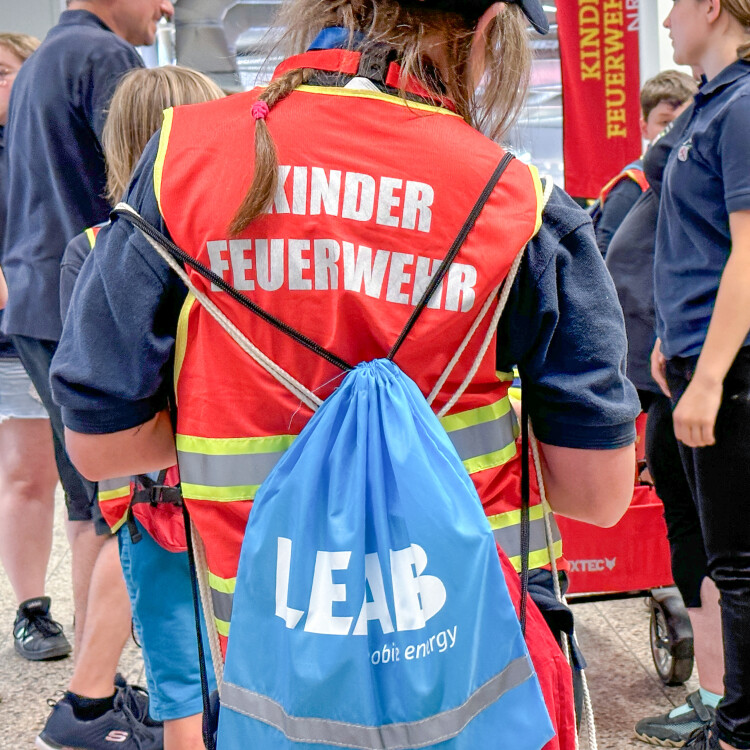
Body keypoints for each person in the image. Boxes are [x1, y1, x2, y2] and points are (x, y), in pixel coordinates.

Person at [51, 1, 640, 747]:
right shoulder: (519, 203)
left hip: (277, 668)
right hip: (475, 661)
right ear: (485, 31)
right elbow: (598, 495)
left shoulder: (179, 165)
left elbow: (101, 447)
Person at [37, 65, 224, 750]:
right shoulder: (230, 245)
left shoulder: (90, 248)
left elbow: (98, 383)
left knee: (181, 676)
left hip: (151, 494)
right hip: (226, 491)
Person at [2, 0, 172, 747]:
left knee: (90, 498)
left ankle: (96, 684)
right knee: (125, 496)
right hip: (90, 297)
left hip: (41, 297)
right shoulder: (104, 60)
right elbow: (151, 179)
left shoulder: (42, 59)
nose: (167, 7)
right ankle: (91, 701)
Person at [606, 103, 725, 747]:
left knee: (719, 551)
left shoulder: (724, 121)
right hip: (666, 374)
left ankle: (726, 707)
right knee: (697, 545)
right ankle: (716, 697)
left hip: (695, 379)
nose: (670, 15)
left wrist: (700, 375)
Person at [649, 0, 750, 747]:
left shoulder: (742, 107)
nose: (664, 20)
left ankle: (740, 732)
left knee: (740, 567)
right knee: (729, 561)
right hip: (693, 358)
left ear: (712, 7)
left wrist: (710, 375)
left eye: (676, 4)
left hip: (733, 370)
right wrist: (670, 339)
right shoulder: (707, 108)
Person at [0, 32, 69, 662]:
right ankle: (31, 607)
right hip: (16, 330)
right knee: (29, 476)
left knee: (50, 475)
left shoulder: (45, 149)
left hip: (41, 330)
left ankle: (44, 608)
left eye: (2, 71)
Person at [593, 70, 697, 257]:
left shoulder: (699, 176)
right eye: (665, 123)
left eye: (684, 122)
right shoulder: (632, 185)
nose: (676, 133)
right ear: (645, 128)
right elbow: (604, 259)